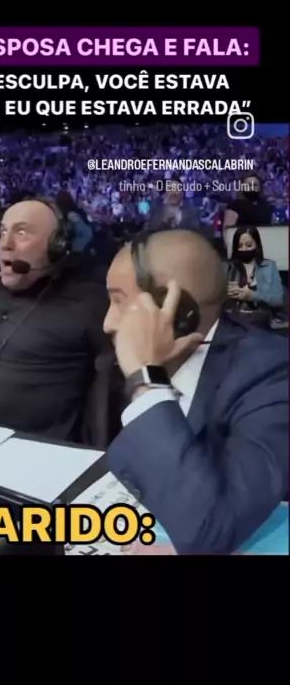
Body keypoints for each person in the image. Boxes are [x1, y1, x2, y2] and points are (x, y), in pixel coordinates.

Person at [103, 229, 288, 555]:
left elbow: (211, 531)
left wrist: (147, 381)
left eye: (119, 301)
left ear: (175, 310)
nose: (107, 323)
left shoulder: (272, 372)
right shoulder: (132, 361)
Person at [0, 199, 109, 442]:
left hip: (43, 450)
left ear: (57, 246)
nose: (5, 244)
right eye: (3, 232)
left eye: (21, 233)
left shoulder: (89, 301)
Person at [227, 225, 284, 327]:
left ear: (257, 245)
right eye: (240, 246)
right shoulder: (229, 267)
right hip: (234, 323)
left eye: (249, 245)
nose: (244, 249)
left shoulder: (269, 266)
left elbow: (278, 300)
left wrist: (253, 296)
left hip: (262, 322)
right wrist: (225, 293)